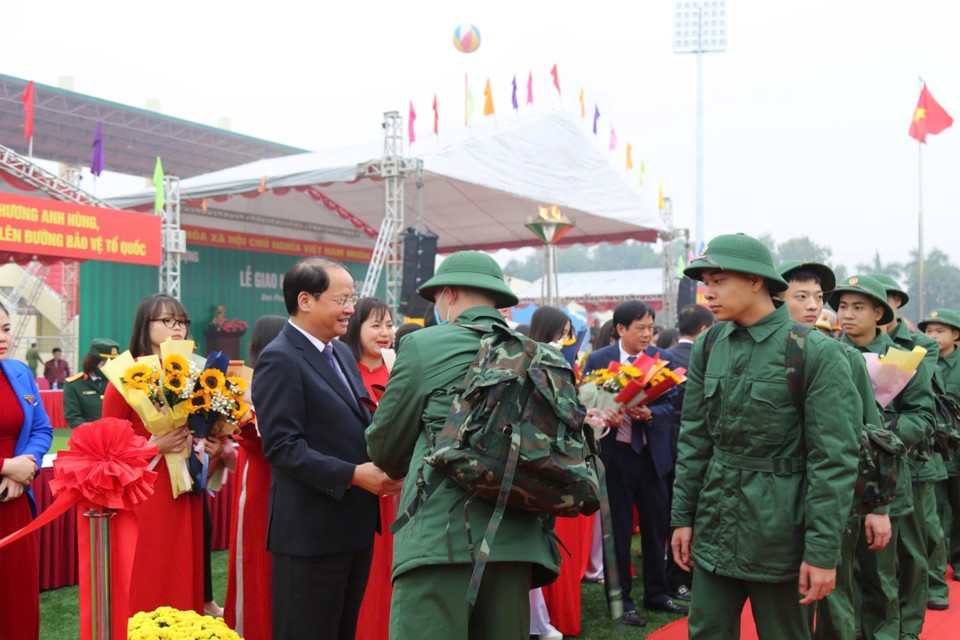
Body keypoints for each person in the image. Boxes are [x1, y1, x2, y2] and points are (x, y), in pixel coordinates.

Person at [671, 233, 861, 639]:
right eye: (706, 283)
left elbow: (834, 461)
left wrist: (822, 552)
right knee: (705, 631)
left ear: (756, 281)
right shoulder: (709, 345)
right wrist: (682, 518)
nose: (708, 294)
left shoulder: (813, 352)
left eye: (718, 282)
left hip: (781, 534)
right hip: (715, 523)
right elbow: (694, 439)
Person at [366, 250, 561, 640]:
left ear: (449, 294)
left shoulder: (422, 345)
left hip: (440, 538)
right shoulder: (542, 355)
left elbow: (384, 449)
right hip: (517, 539)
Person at [252, 257, 402, 640]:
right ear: (305, 300)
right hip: (309, 533)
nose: (351, 308)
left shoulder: (340, 354)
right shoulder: (280, 357)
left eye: (351, 299)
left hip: (352, 525)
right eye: (342, 299)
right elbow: (283, 448)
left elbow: (358, 426)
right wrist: (353, 474)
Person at [775, 262, 889, 640]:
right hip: (778, 498)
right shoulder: (766, 353)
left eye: (819, 298)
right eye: (801, 296)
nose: (813, 306)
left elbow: (871, 436)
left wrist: (878, 507)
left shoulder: (844, 357)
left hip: (835, 495)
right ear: (777, 297)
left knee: (833, 594)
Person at [830, 275, 935, 640]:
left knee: (880, 576)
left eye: (858, 307)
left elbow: (924, 418)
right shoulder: (824, 351)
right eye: (842, 306)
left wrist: (876, 427)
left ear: (879, 313)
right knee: (837, 578)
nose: (847, 314)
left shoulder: (902, 359)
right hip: (835, 481)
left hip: (882, 480)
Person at [101, 294, 206, 617]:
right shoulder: (125, 377)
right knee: (149, 574)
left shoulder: (193, 375)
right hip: (145, 492)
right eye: (168, 321)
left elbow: (205, 431)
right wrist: (153, 446)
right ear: (146, 326)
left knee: (182, 571)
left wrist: (210, 442)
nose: (178, 328)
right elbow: (106, 451)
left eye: (183, 322)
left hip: (184, 489)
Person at [584, 300, 687, 628]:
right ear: (620, 329)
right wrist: (603, 415)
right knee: (619, 533)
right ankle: (622, 600)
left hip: (652, 458)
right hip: (616, 459)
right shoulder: (600, 360)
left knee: (656, 529)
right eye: (640, 328)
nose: (647, 334)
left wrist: (650, 413)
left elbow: (671, 403)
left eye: (650, 328)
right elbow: (585, 402)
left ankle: (656, 592)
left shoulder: (662, 359)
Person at [870, 273, 945, 630]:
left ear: (895, 302)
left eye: (882, 298)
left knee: (915, 545)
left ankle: (910, 625)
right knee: (874, 556)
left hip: (911, 458)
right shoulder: (839, 344)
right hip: (867, 465)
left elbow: (915, 396)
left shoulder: (918, 345)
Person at [224, 314, 286, 640]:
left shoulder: (259, 383)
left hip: (265, 480)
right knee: (256, 559)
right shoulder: (251, 386)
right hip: (261, 480)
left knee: (261, 561)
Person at [343, 297, 397, 640]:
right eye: (375, 325)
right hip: (360, 484)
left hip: (397, 487)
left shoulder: (399, 368)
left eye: (389, 324)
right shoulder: (344, 372)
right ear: (355, 327)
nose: (385, 333)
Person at [0, 300, 52, 640]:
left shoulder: (18, 372)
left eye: (4, 329)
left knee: (17, 604)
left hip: (14, 505)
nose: (2, 337)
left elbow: (42, 430)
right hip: (10, 480)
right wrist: (6, 466)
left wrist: (25, 466)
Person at [661, 303, 715, 603]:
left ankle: (677, 574)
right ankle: (679, 576)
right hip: (694, 450)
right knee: (684, 516)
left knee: (675, 515)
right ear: (706, 329)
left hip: (668, 448)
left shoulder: (665, 357)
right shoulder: (704, 356)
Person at [528, 305, 575, 640]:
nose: (567, 339)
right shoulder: (531, 361)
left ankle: (541, 618)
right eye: (563, 332)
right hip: (536, 462)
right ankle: (538, 621)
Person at [918, 309, 960, 603]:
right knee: (935, 513)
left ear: (956, 335)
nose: (932, 336)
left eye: (939, 331)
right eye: (929, 331)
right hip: (933, 451)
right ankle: (935, 565)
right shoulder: (921, 361)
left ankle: (957, 560)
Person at [62, 338, 120, 429]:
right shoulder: (74, 384)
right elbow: (73, 417)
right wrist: (94, 433)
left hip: (119, 437)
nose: (108, 368)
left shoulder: (120, 382)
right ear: (93, 362)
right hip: (89, 439)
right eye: (103, 364)